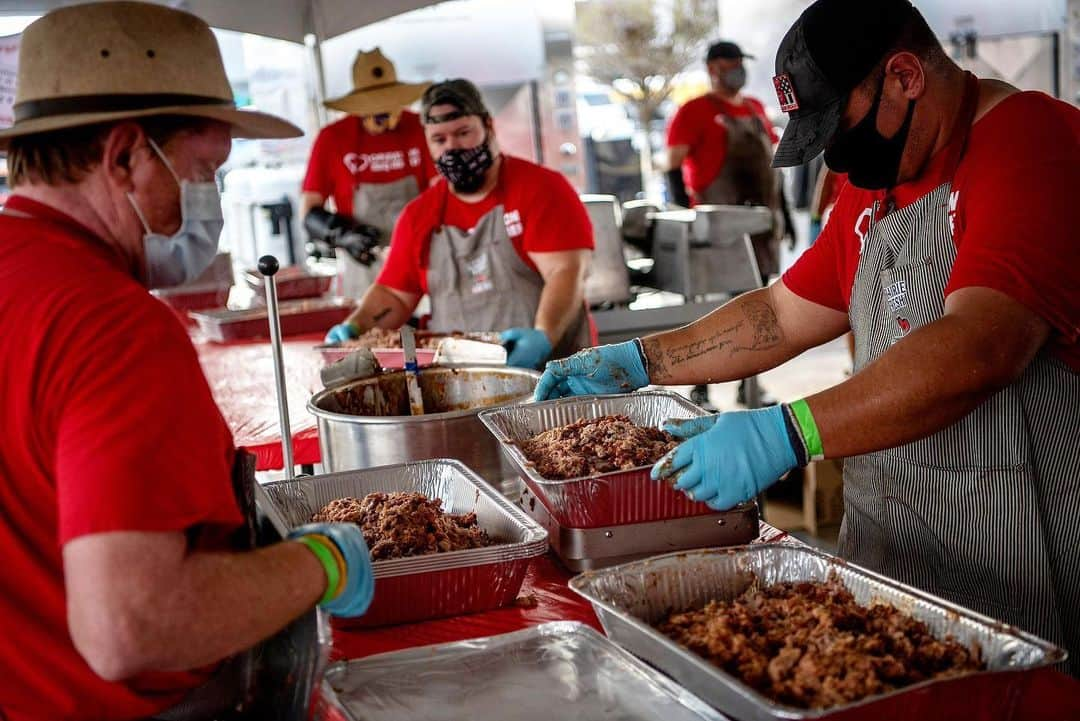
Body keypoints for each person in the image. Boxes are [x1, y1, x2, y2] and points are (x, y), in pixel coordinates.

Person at [536, 0, 1079, 673]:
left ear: (906, 76)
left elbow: (981, 343)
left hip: (1023, 579)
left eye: (841, 131)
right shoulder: (878, 180)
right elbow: (782, 313)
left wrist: (788, 432)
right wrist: (638, 360)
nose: (839, 159)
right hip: (893, 560)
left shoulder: (1032, 143)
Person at [0, 5, 375, 720]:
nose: (207, 202)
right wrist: (318, 564)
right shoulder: (108, 322)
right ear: (125, 157)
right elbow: (130, 624)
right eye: (203, 170)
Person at [325, 79, 594, 370]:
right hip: (460, 386)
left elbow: (565, 271)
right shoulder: (419, 215)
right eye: (439, 139)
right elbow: (394, 296)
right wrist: (355, 327)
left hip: (553, 379)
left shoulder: (541, 189)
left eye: (463, 133)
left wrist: (544, 335)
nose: (452, 147)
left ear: (488, 127)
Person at [664, 40, 786, 408]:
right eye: (731, 63)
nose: (738, 69)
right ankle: (700, 389)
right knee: (710, 314)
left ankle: (751, 385)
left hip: (760, 227)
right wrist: (686, 215)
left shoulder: (755, 108)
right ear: (714, 68)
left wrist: (782, 217)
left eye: (740, 62)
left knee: (757, 309)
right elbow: (672, 164)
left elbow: (772, 163)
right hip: (716, 233)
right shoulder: (693, 111)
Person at [301, 49, 435, 299]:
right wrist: (343, 235)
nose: (382, 117)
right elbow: (309, 211)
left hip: (422, 260)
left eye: (388, 107)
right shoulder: (332, 139)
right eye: (374, 109)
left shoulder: (421, 128)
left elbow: (442, 193)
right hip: (364, 266)